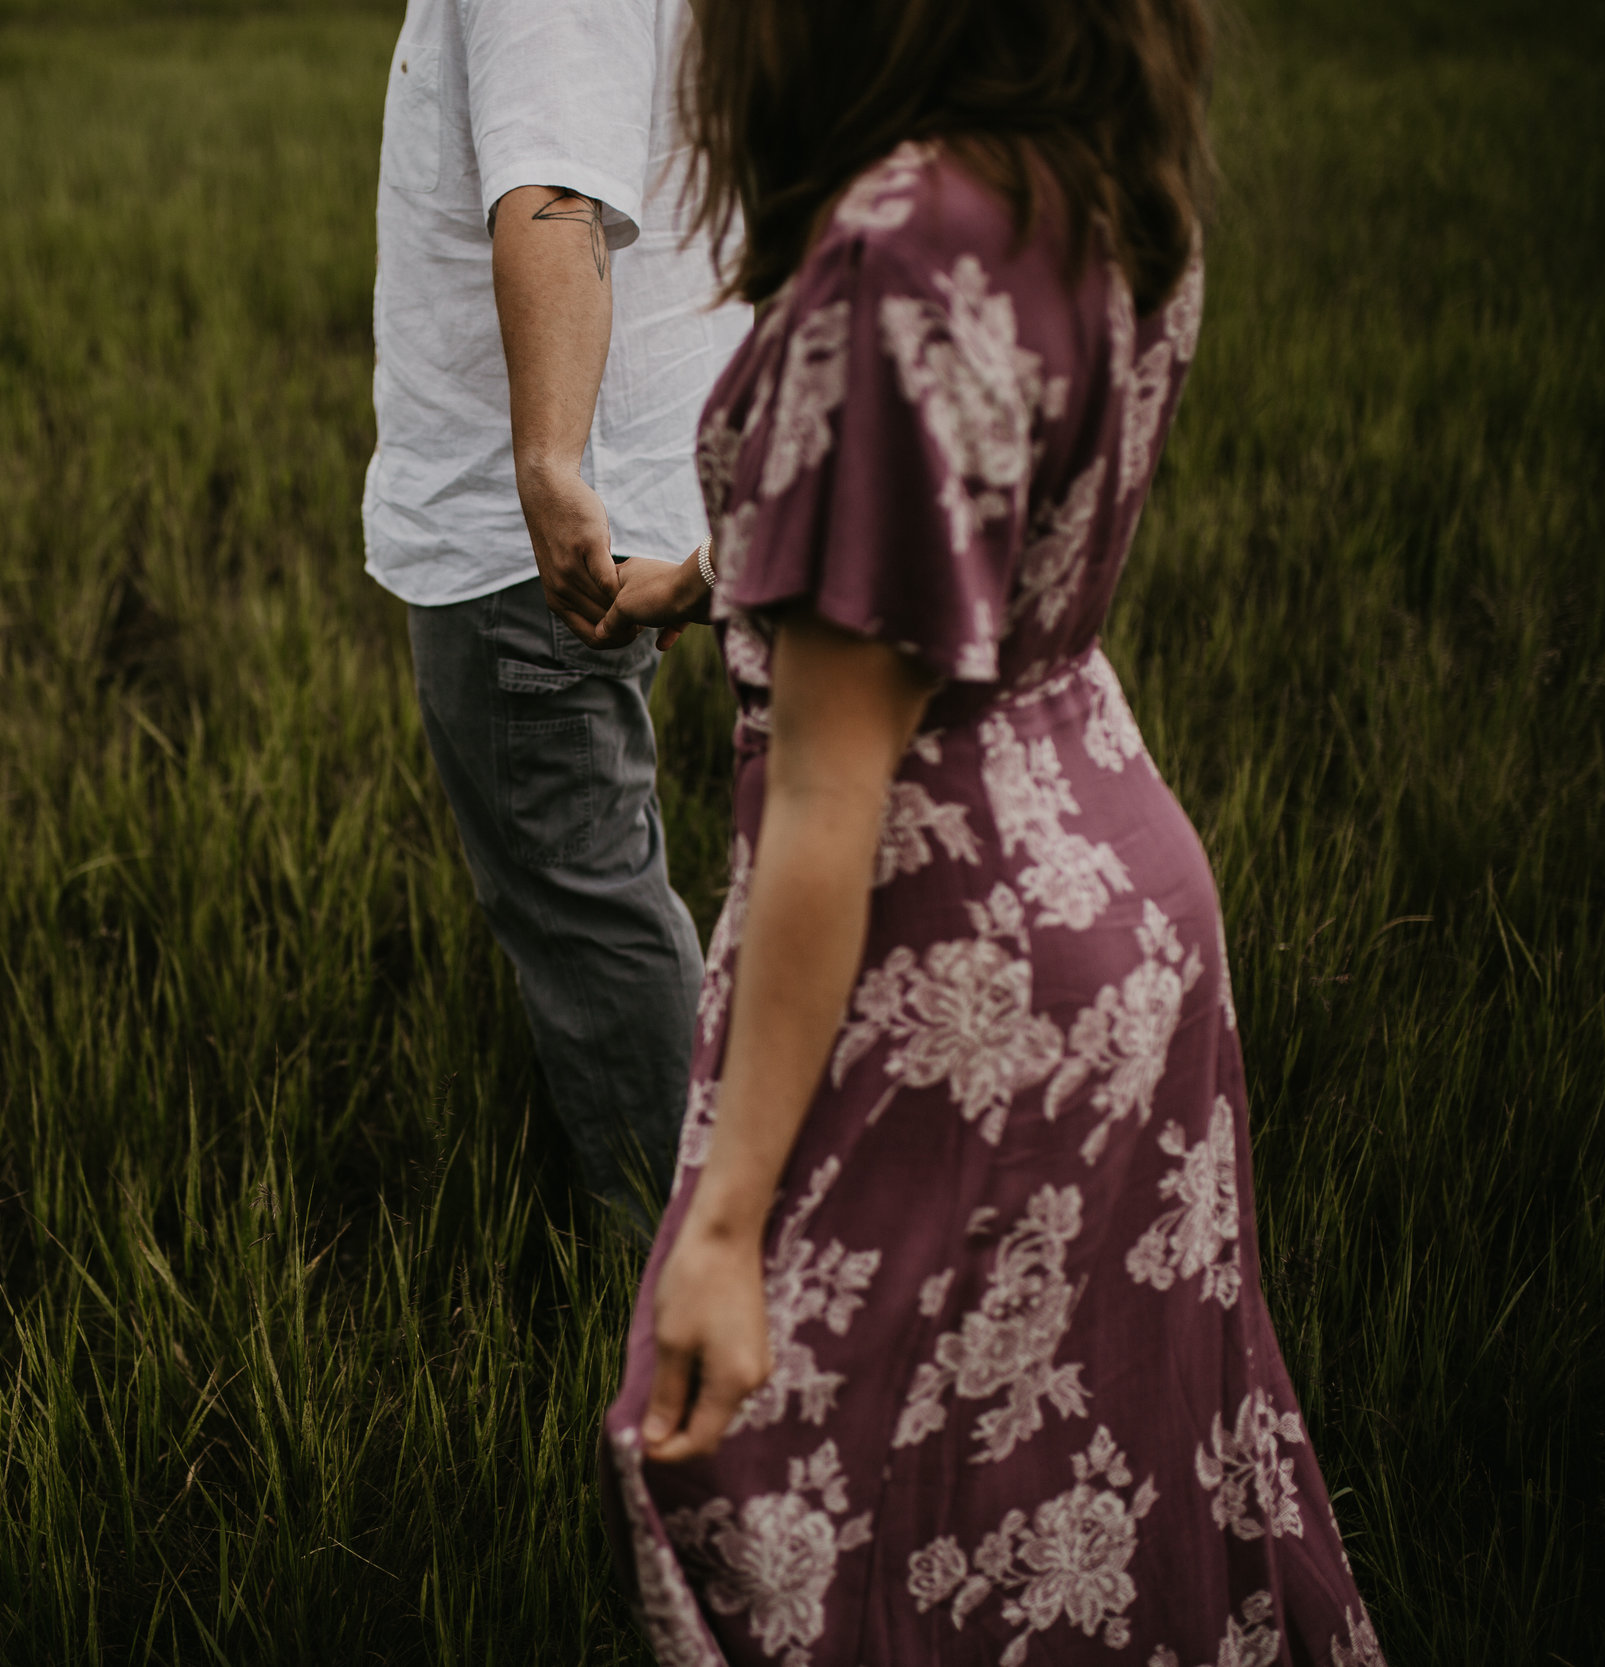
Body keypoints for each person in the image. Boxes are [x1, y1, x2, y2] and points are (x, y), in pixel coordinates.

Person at [598, 2, 1388, 1661]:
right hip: (1121, 895)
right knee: (1090, 1470)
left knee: (798, 1476)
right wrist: (742, 581)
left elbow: (828, 791)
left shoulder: (901, 245)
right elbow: (990, 525)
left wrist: (727, 1221)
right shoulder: (1093, 179)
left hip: (946, 945)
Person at [367, 1, 748, 1223]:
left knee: (584, 899)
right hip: (635, 477)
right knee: (602, 876)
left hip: (535, 533)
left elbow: (557, 194)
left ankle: (686, 1275)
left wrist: (547, 466)